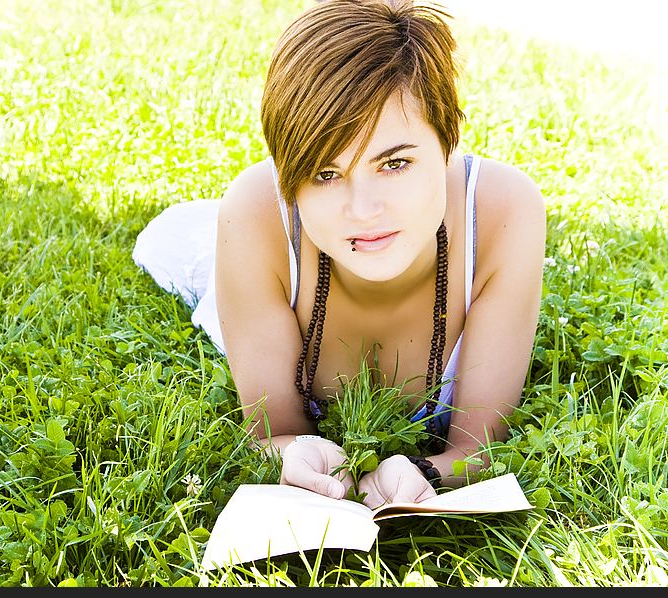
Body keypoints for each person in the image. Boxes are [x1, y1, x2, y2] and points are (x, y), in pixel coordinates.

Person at [133, 0, 545, 510]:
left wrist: (422, 472)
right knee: (162, 240)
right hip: (267, 260)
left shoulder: (504, 212)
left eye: (394, 163)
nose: (364, 209)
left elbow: (478, 448)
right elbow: (270, 434)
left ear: (448, 142)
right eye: (326, 174)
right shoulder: (258, 216)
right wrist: (290, 453)